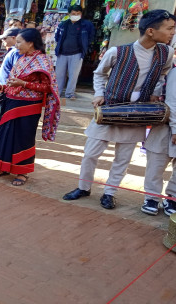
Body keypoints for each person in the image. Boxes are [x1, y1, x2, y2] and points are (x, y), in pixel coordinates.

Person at [63, 10, 175, 210]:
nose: (172, 33)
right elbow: (99, 73)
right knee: (90, 153)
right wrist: (99, 93)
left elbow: (162, 75)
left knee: (122, 159)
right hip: (110, 109)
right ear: (151, 31)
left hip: (137, 113)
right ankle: (83, 187)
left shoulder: (165, 53)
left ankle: (109, 193)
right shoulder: (117, 52)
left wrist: (155, 91)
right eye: (169, 28)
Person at [0, 28, 61, 186]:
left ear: (30, 43)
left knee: (23, 138)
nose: (16, 45)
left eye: (19, 42)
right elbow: (11, 83)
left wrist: (23, 84)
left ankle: (22, 172)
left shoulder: (43, 60)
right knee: (4, 135)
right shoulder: (21, 58)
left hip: (29, 106)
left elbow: (47, 88)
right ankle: (2, 167)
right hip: (11, 101)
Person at [141, 68, 176, 216]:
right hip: (166, 125)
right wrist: (175, 129)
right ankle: (151, 198)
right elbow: (172, 102)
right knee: (156, 163)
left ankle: (172, 197)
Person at [54, 5, 95, 100]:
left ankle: (70, 93)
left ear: (81, 14)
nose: (76, 15)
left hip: (77, 53)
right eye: (73, 14)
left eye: (78, 13)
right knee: (59, 75)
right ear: (69, 14)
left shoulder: (86, 25)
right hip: (62, 53)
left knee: (73, 75)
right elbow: (57, 37)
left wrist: (85, 47)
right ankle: (57, 93)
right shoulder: (63, 24)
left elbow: (90, 37)